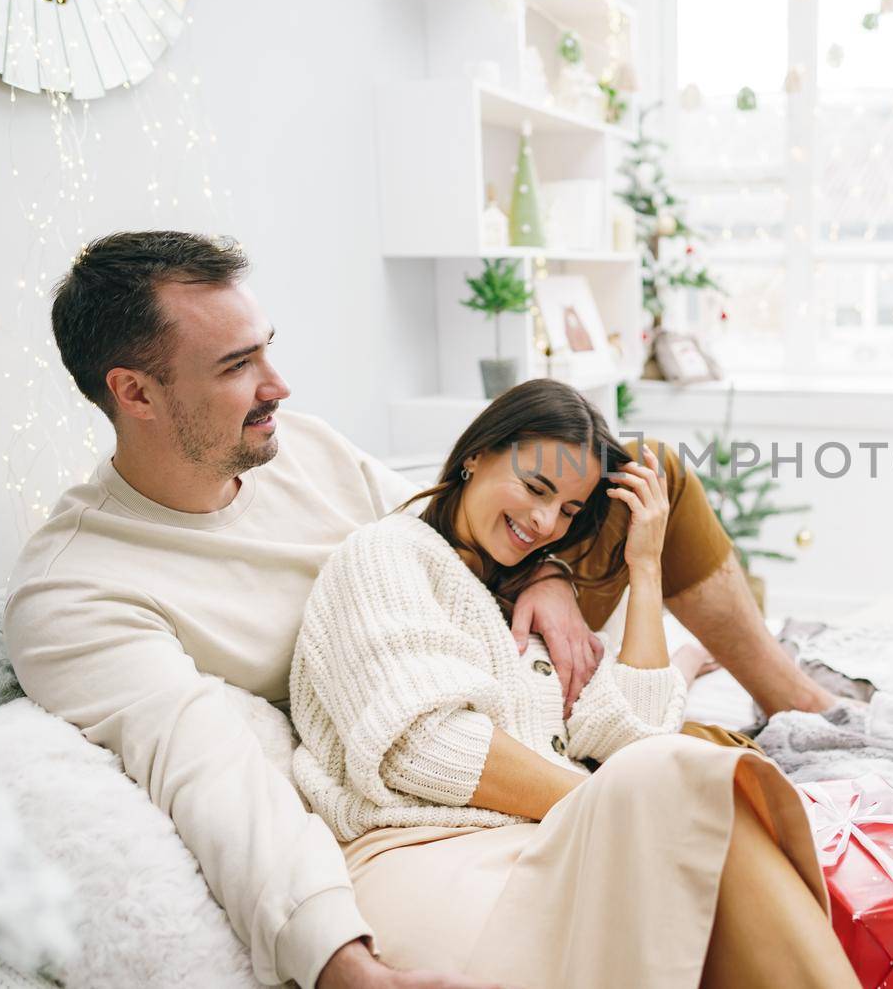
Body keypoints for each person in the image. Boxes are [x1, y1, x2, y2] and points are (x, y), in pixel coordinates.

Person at [4, 231, 835, 989]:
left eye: (269, 350)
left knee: (650, 470)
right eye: (235, 367)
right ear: (134, 393)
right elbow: (209, 773)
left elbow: (445, 524)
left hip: (467, 649)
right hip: (402, 758)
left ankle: (799, 697)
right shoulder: (80, 587)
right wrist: (335, 959)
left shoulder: (305, 452)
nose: (278, 386)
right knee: (684, 790)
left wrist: (541, 570)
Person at [290, 380, 858, 988]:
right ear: (475, 455)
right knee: (697, 795)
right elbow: (422, 748)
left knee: (698, 824)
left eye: (566, 510)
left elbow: (632, 733)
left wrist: (645, 566)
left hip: (540, 844)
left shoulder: (519, 595)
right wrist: (611, 802)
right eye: (536, 488)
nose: (543, 522)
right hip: (426, 858)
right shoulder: (385, 555)